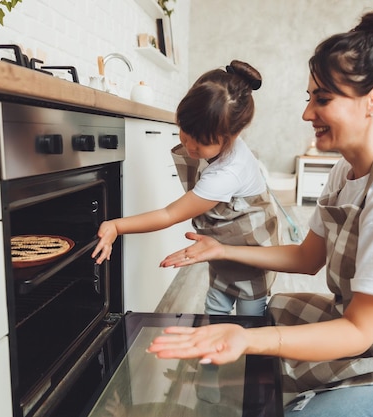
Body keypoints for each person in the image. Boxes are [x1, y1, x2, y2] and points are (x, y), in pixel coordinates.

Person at [148, 7, 373, 417]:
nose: (306, 113)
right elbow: (307, 257)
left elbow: (356, 332)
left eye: (322, 99)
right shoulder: (346, 170)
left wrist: (247, 341)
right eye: (309, 98)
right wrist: (221, 250)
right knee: (272, 321)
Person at [92, 60, 279, 316]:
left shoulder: (226, 174)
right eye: (184, 133)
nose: (190, 148)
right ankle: (214, 346)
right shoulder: (218, 139)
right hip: (224, 246)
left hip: (252, 253)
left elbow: (169, 214)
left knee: (251, 314)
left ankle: (252, 351)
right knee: (216, 303)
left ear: (231, 137)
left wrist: (117, 225)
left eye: (200, 144)